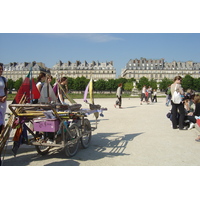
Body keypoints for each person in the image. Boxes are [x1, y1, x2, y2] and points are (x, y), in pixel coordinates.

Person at [0, 63, 7, 166]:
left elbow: (6, 89)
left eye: (1, 69)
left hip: (3, 103)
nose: (1, 70)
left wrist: (6, 96)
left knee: (2, 125)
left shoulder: (4, 79)